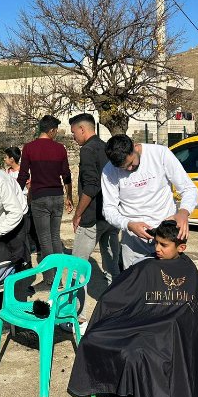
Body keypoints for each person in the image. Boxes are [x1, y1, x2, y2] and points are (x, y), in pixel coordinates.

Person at [68, 220, 198, 397]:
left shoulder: (189, 271)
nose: (157, 249)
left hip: (168, 334)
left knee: (147, 351)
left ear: (181, 247)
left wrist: (167, 323)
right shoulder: (148, 266)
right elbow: (119, 296)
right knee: (96, 336)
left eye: (164, 245)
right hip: (139, 323)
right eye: (156, 243)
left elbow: (195, 313)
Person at [101, 134, 198, 269]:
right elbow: (109, 209)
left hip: (165, 236)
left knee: (166, 282)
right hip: (133, 240)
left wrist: (183, 212)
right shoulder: (109, 171)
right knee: (135, 283)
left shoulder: (160, 154)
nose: (129, 169)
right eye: (123, 168)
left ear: (134, 146)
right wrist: (129, 225)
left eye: (131, 163)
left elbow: (189, 188)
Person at [17, 115, 73, 282]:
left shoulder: (28, 148)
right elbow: (67, 175)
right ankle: (59, 277)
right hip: (57, 196)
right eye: (55, 130)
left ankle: (51, 279)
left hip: (39, 197)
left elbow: (23, 175)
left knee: (45, 239)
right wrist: (69, 196)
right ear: (51, 130)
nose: (56, 133)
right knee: (55, 236)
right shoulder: (60, 149)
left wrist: (14, 193)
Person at [69, 114, 119, 284]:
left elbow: (91, 186)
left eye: (73, 133)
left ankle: (75, 309)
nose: (73, 137)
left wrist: (78, 214)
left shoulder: (88, 150)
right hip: (110, 214)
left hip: (92, 218)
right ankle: (116, 300)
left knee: (77, 267)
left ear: (82, 129)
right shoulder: (106, 147)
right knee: (112, 264)